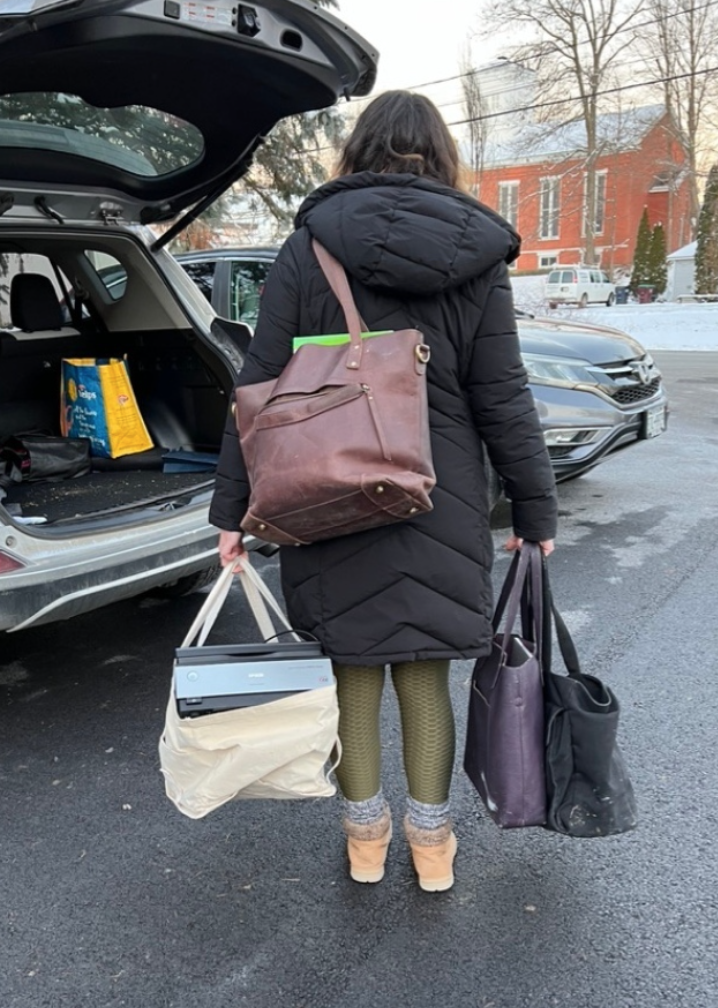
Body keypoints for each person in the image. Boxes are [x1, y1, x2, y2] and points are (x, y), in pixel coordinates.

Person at [208, 90, 557, 893]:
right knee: (425, 677)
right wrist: (533, 509)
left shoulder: (309, 247)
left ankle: (364, 839)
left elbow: (258, 385)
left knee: (352, 673)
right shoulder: (478, 255)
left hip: (326, 489)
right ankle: (431, 846)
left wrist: (232, 511)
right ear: (441, 155)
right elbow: (502, 393)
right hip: (440, 493)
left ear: (357, 152)